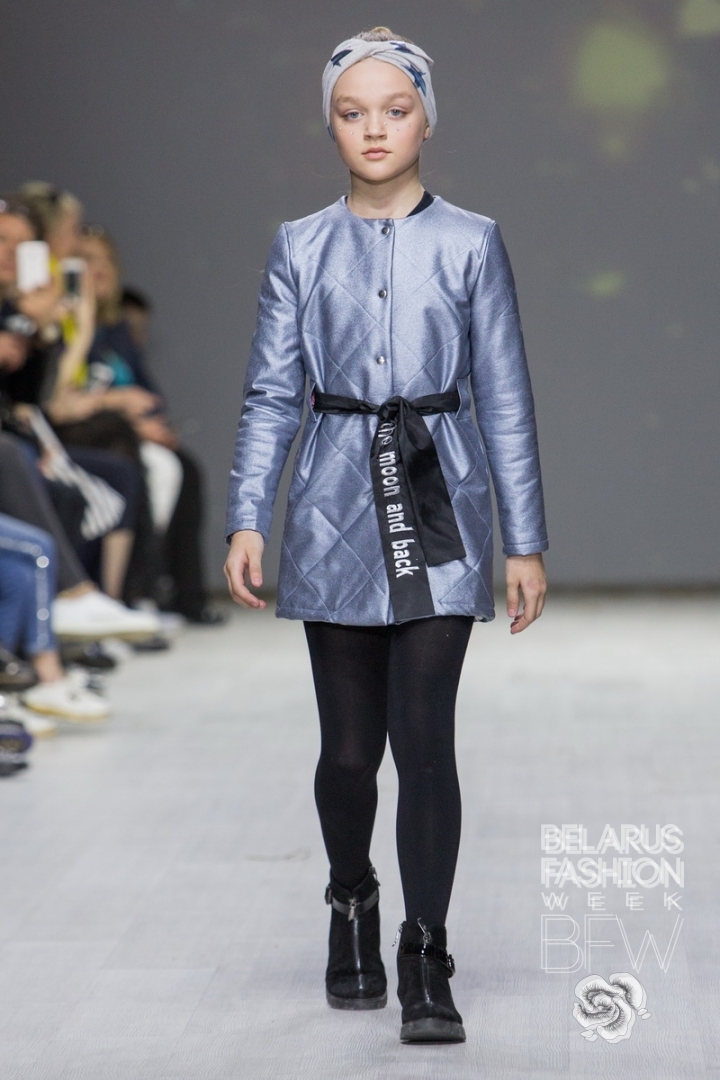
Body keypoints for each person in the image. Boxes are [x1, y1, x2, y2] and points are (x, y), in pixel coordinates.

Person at [224, 27, 548, 1045]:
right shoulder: (299, 244)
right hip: (331, 500)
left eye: (395, 109)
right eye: (352, 112)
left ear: (426, 119)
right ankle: (352, 898)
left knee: (424, 741)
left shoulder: (472, 242)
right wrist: (246, 511)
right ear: (329, 123)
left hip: (441, 499)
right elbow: (272, 391)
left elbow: (505, 395)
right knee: (350, 753)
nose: (374, 129)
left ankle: (425, 951)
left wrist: (525, 539)